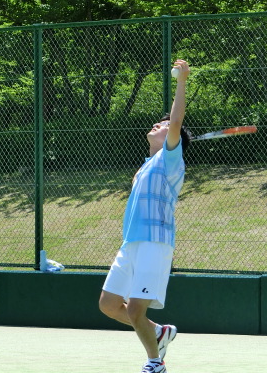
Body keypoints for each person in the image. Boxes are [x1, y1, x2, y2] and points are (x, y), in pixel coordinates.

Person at [99, 59, 191, 373]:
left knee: (136, 309)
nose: (157, 125)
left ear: (173, 136)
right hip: (131, 243)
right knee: (109, 305)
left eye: (162, 125)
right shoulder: (145, 167)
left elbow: (176, 122)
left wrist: (182, 82)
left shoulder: (171, 160)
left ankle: (155, 362)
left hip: (155, 242)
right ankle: (159, 333)